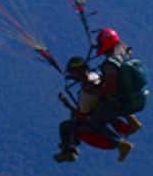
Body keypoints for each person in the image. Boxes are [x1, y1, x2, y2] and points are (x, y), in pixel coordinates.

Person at [54, 28, 144, 162]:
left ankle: (119, 144)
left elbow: (82, 115)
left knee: (72, 124)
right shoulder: (96, 75)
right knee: (105, 108)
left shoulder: (87, 92)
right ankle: (130, 123)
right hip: (118, 104)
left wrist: (67, 105)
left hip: (103, 114)